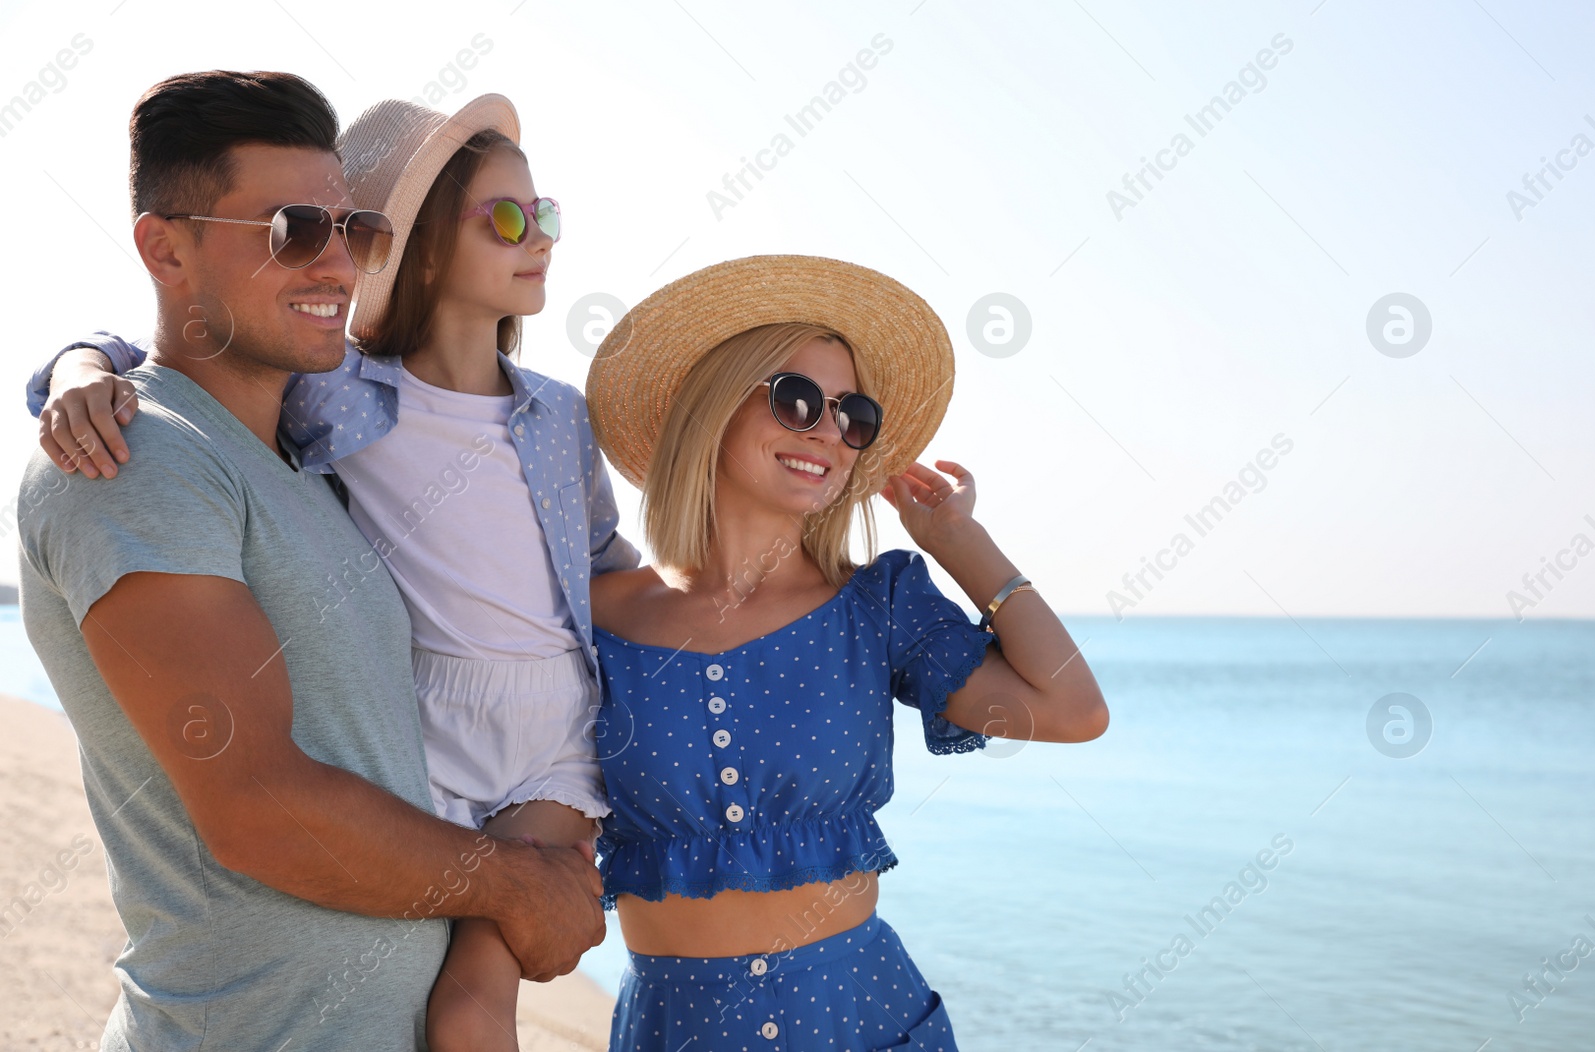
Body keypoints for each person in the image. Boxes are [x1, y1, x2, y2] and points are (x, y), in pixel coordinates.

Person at [26, 92, 641, 1050]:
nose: (337, 261)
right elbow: (258, 806)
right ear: (165, 248)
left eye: (353, 228)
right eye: (293, 228)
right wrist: (521, 884)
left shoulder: (307, 464)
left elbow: (599, 574)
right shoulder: (134, 456)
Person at [583, 255, 1110, 1049]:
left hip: (864, 1018)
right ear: (715, 406)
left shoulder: (880, 606)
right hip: (675, 1028)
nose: (829, 433)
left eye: (852, 416)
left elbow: (1072, 710)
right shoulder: (592, 617)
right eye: (798, 401)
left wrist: (964, 545)